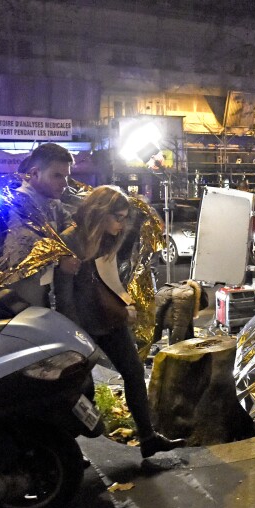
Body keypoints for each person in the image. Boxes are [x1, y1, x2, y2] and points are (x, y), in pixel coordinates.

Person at [55, 185, 185, 460]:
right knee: (82, 388)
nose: (122, 224)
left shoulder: (107, 238)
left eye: (124, 218)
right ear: (100, 213)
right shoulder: (71, 240)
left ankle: (148, 438)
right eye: (118, 217)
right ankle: (72, 452)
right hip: (82, 326)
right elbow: (64, 294)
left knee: (134, 372)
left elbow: (113, 277)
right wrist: (74, 333)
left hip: (109, 320)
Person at [6, 143, 78, 307]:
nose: (65, 183)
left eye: (66, 176)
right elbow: (20, 253)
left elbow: (70, 225)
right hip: (18, 301)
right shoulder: (16, 203)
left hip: (42, 295)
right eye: (57, 176)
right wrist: (60, 260)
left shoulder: (52, 203)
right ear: (35, 173)